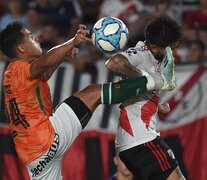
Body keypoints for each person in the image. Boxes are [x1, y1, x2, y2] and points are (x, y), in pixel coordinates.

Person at [1, 21, 174, 179]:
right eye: (30, 37)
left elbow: (45, 72)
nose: (36, 38)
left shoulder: (11, 74)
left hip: (33, 158)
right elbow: (45, 62)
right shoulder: (22, 69)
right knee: (93, 92)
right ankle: (157, 80)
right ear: (21, 49)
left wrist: (63, 54)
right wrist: (72, 42)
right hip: (45, 138)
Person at [105, 16, 185, 180]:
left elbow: (140, 91)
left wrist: (156, 106)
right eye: (171, 49)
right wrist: (148, 78)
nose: (172, 53)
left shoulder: (154, 57)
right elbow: (114, 64)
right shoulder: (141, 54)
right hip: (140, 140)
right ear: (154, 46)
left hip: (138, 140)